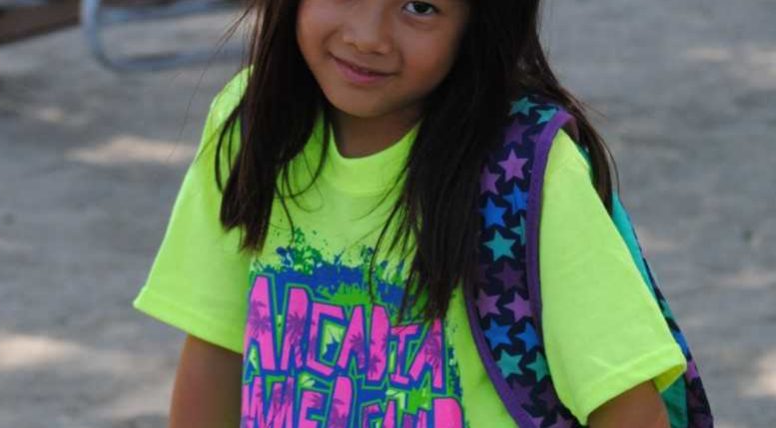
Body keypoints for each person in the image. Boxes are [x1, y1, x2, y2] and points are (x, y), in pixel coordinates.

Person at [131, 0, 694, 426]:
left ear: (480, 22)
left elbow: (623, 401)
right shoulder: (251, 124)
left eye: (420, 7)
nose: (367, 36)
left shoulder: (524, 170)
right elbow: (216, 348)